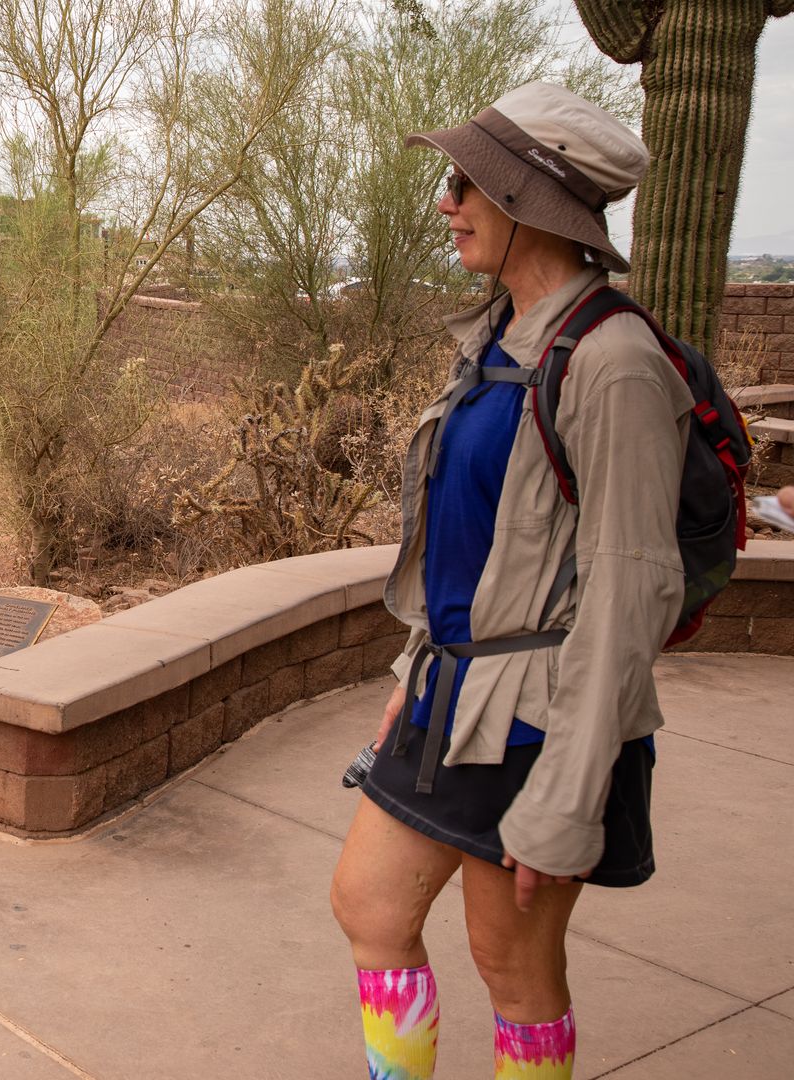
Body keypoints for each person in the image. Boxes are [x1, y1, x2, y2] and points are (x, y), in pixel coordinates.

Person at [330, 83, 683, 1080]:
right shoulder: (496, 338)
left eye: (464, 181)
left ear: (530, 196)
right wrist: (417, 665)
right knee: (368, 904)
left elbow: (631, 591)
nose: (446, 202)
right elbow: (468, 539)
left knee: (513, 969)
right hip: (452, 693)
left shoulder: (612, 361)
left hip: (538, 718)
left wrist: (568, 802)